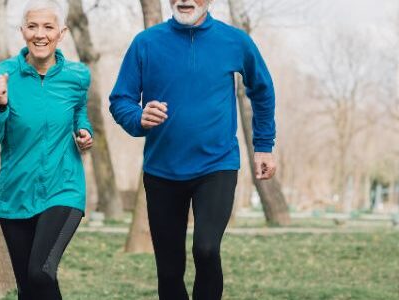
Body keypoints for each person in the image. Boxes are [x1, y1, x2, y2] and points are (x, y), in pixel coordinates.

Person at [109, 0, 278, 299]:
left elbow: (262, 89)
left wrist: (263, 146)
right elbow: (120, 99)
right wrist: (139, 117)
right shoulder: (146, 43)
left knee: (207, 248)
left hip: (217, 165)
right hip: (162, 169)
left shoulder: (234, 41)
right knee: (170, 268)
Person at [0, 1, 93, 298]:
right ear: (23, 32)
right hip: (16, 196)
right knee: (28, 288)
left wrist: (84, 132)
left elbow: (79, 112)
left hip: (63, 188)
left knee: (41, 272)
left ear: (61, 33)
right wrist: (0, 105)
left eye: (48, 27)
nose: (40, 34)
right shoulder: (2, 76)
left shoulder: (77, 76)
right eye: (32, 26)